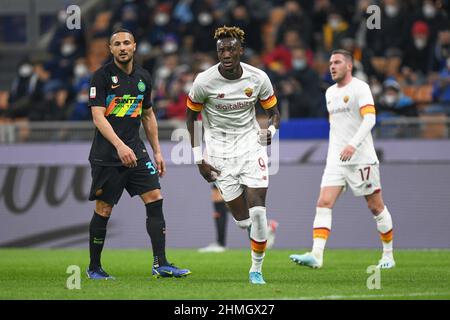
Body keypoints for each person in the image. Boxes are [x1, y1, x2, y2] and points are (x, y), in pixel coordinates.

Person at [86, 28, 191, 279]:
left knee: (155, 197)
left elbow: (147, 114)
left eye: (126, 43)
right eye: (117, 44)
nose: (122, 47)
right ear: (111, 49)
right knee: (104, 209)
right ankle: (94, 268)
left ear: (134, 46)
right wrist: (120, 146)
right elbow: (97, 116)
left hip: (136, 151)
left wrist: (157, 152)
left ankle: (161, 263)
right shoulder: (101, 77)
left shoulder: (143, 78)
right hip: (107, 155)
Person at [186, 26, 280, 284]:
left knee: (258, 211)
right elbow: (191, 117)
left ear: (241, 50)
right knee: (242, 221)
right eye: (221, 50)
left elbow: (274, 112)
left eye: (230, 49)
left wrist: (270, 129)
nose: (226, 53)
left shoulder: (258, 78)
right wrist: (198, 158)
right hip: (219, 153)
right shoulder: (204, 81)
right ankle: (262, 231)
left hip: (251, 147)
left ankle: (256, 269)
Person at [290, 49, 395, 270]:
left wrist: (352, 145)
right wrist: (337, 149)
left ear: (349, 65)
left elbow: (370, 120)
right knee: (323, 203)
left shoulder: (360, 88)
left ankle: (388, 255)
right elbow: (336, 126)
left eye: (337, 62)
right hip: (336, 159)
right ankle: (316, 255)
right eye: (330, 63)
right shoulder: (329, 93)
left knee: (375, 207)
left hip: (361, 158)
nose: (332, 66)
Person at [198, 185, 279, 253]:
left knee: (222, 199)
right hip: (224, 169)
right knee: (218, 197)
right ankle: (264, 226)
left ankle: (220, 243)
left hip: (229, 168)